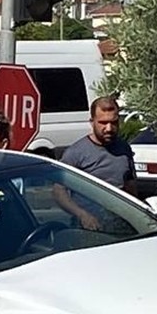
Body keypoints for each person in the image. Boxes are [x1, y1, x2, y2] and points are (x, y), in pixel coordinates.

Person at [54, 96, 139, 231]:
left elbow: (130, 185)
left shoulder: (124, 148)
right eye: (103, 123)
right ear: (92, 122)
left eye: (114, 122)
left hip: (120, 225)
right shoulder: (75, 153)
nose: (109, 128)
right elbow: (59, 191)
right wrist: (82, 215)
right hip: (88, 228)